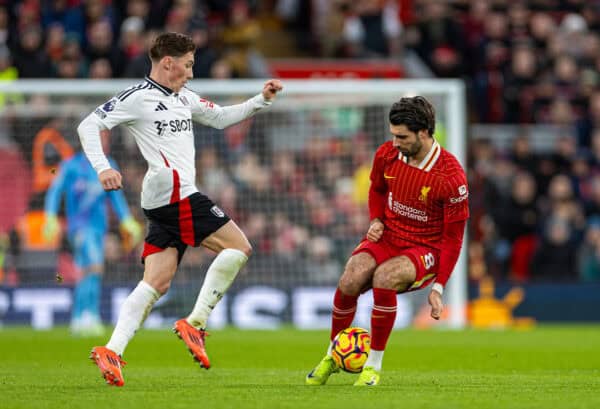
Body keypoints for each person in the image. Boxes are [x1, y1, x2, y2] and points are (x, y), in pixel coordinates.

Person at [78, 32, 283, 387]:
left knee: (156, 282)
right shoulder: (138, 98)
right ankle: (197, 322)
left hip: (163, 199)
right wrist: (103, 167)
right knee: (240, 247)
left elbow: (220, 117)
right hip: (176, 194)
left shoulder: (183, 97)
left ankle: (112, 349)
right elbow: (88, 124)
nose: (190, 73)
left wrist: (260, 100)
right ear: (168, 62)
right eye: (187, 65)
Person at [305, 96, 469, 386]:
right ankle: (333, 354)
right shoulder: (387, 154)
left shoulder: (451, 178)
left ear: (424, 132)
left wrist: (439, 287)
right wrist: (376, 219)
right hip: (390, 236)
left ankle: (373, 366)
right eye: (393, 135)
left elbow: (454, 238)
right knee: (350, 278)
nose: (395, 143)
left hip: (424, 248)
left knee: (385, 276)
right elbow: (377, 190)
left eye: (402, 137)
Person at [43, 135, 143, 336]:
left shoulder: (108, 165)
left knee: (88, 271)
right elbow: (55, 191)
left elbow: (116, 196)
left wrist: (126, 220)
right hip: (79, 228)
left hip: (99, 228)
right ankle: (89, 315)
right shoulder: (71, 166)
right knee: (95, 267)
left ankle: (80, 317)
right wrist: (51, 216)